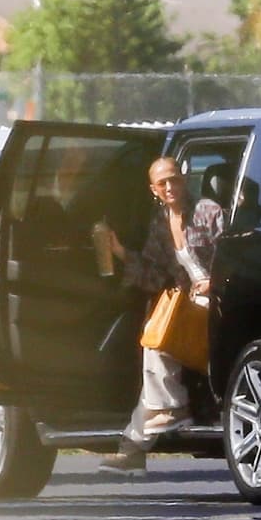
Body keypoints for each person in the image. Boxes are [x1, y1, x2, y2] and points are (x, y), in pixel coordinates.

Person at [98, 157, 225, 476]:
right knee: (154, 336)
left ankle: (143, 436)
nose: (170, 187)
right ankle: (145, 434)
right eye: (162, 183)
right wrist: (120, 252)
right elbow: (154, 273)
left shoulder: (208, 211)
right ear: (153, 190)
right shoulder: (160, 220)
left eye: (174, 180)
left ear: (184, 179)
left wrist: (216, 281)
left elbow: (234, 254)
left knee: (158, 342)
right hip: (188, 299)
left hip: (222, 299)